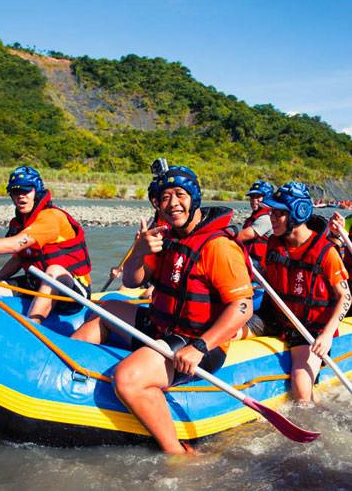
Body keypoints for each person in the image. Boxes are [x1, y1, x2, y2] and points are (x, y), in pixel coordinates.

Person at [72, 163, 254, 454]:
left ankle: (177, 453)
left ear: (194, 197)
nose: (172, 204)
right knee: (106, 311)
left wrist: (200, 347)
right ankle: (67, 369)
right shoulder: (165, 237)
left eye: (179, 194)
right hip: (162, 324)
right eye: (165, 197)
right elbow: (133, 281)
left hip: (197, 340)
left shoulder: (218, 247)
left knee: (128, 378)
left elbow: (243, 307)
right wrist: (140, 252)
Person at [241, 183, 350, 403]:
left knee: (301, 392)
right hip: (275, 317)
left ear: (298, 213)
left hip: (308, 328)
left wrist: (327, 335)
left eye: (279, 214)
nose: (272, 218)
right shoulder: (274, 243)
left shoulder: (325, 252)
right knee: (233, 332)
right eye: (272, 212)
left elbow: (346, 297)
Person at [0, 166, 92, 323]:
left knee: (54, 270)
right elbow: (18, 260)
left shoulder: (51, 217)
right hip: (37, 284)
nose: (21, 196)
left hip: (73, 292)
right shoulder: (20, 223)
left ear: (37, 191)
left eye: (26, 190)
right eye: (15, 192)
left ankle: (32, 329)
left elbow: (15, 244)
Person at [237, 180, 274, 268]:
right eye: (252, 197)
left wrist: (220, 237)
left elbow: (243, 236)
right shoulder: (256, 216)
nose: (254, 200)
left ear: (267, 197)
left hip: (260, 265)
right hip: (251, 258)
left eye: (258, 197)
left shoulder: (265, 218)